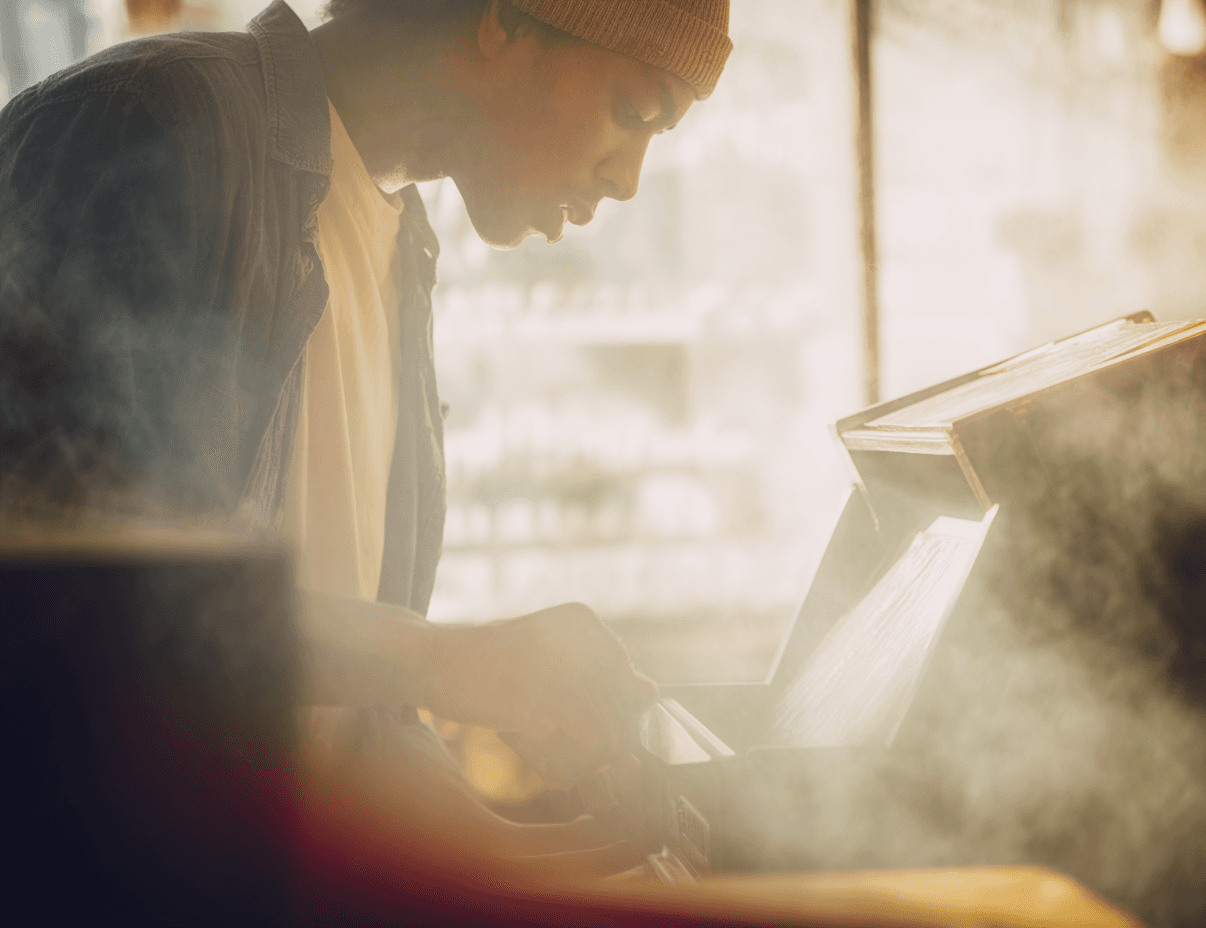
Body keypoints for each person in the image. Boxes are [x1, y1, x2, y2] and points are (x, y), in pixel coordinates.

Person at [0, 1, 1146, 923]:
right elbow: (74, 631)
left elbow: (337, 728)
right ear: (502, 19)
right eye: (631, 107)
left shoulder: (394, 234)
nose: (627, 178)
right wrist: (455, 661)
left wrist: (542, 858)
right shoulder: (156, 126)